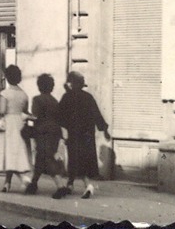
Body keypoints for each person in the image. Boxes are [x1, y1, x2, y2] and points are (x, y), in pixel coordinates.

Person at [55, 71, 111, 199]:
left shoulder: (67, 97)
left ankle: (86, 185)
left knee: (74, 160)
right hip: (87, 135)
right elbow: (97, 115)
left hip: (73, 134)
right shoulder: (88, 97)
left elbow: (58, 115)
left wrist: (62, 131)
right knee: (84, 160)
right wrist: (105, 130)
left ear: (71, 83)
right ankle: (71, 184)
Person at [0, 63, 32, 192]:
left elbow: (2, 110)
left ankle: (21, 179)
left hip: (8, 124)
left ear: (7, 78)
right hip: (20, 123)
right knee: (15, 153)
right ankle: (7, 183)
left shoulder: (5, 93)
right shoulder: (24, 95)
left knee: (8, 153)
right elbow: (25, 111)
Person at [24, 73, 65, 195]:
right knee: (41, 158)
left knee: (47, 158)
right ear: (51, 87)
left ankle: (60, 186)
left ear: (39, 86)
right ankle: (33, 183)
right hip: (55, 132)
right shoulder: (55, 101)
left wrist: (27, 116)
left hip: (42, 132)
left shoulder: (37, 99)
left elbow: (36, 116)